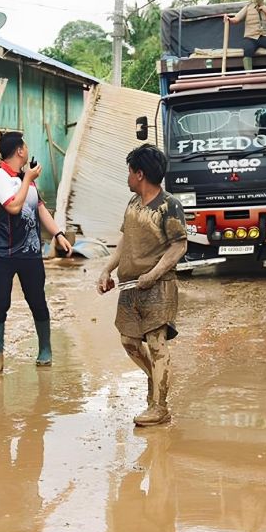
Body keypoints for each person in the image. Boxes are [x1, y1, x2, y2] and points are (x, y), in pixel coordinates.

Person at [97, 145, 189, 426]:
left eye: (129, 171)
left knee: (157, 344)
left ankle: (159, 407)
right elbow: (124, 241)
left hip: (159, 286)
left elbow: (179, 245)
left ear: (140, 174)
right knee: (128, 341)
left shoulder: (169, 205)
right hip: (130, 287)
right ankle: (155, 378)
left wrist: (154, 273)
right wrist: (107, 269)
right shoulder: (132, 204)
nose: (127, 177)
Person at [0, 132, 71, 376]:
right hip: (2, 254)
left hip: (31, 253)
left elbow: (40, 208)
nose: (27, 148)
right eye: (25, 145)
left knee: (37, 301)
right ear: (20, 151)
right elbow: (13, 207)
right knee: (0, 303)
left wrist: (58, 234)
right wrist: (27, 179)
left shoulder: (28, 179)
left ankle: (45, 348)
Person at [225, 0, 266, 70]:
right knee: (247, 50)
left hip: (264, 36)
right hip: (250, 37)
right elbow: (236, 19)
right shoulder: (247, 7)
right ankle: (248, 74)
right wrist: (229, 19)